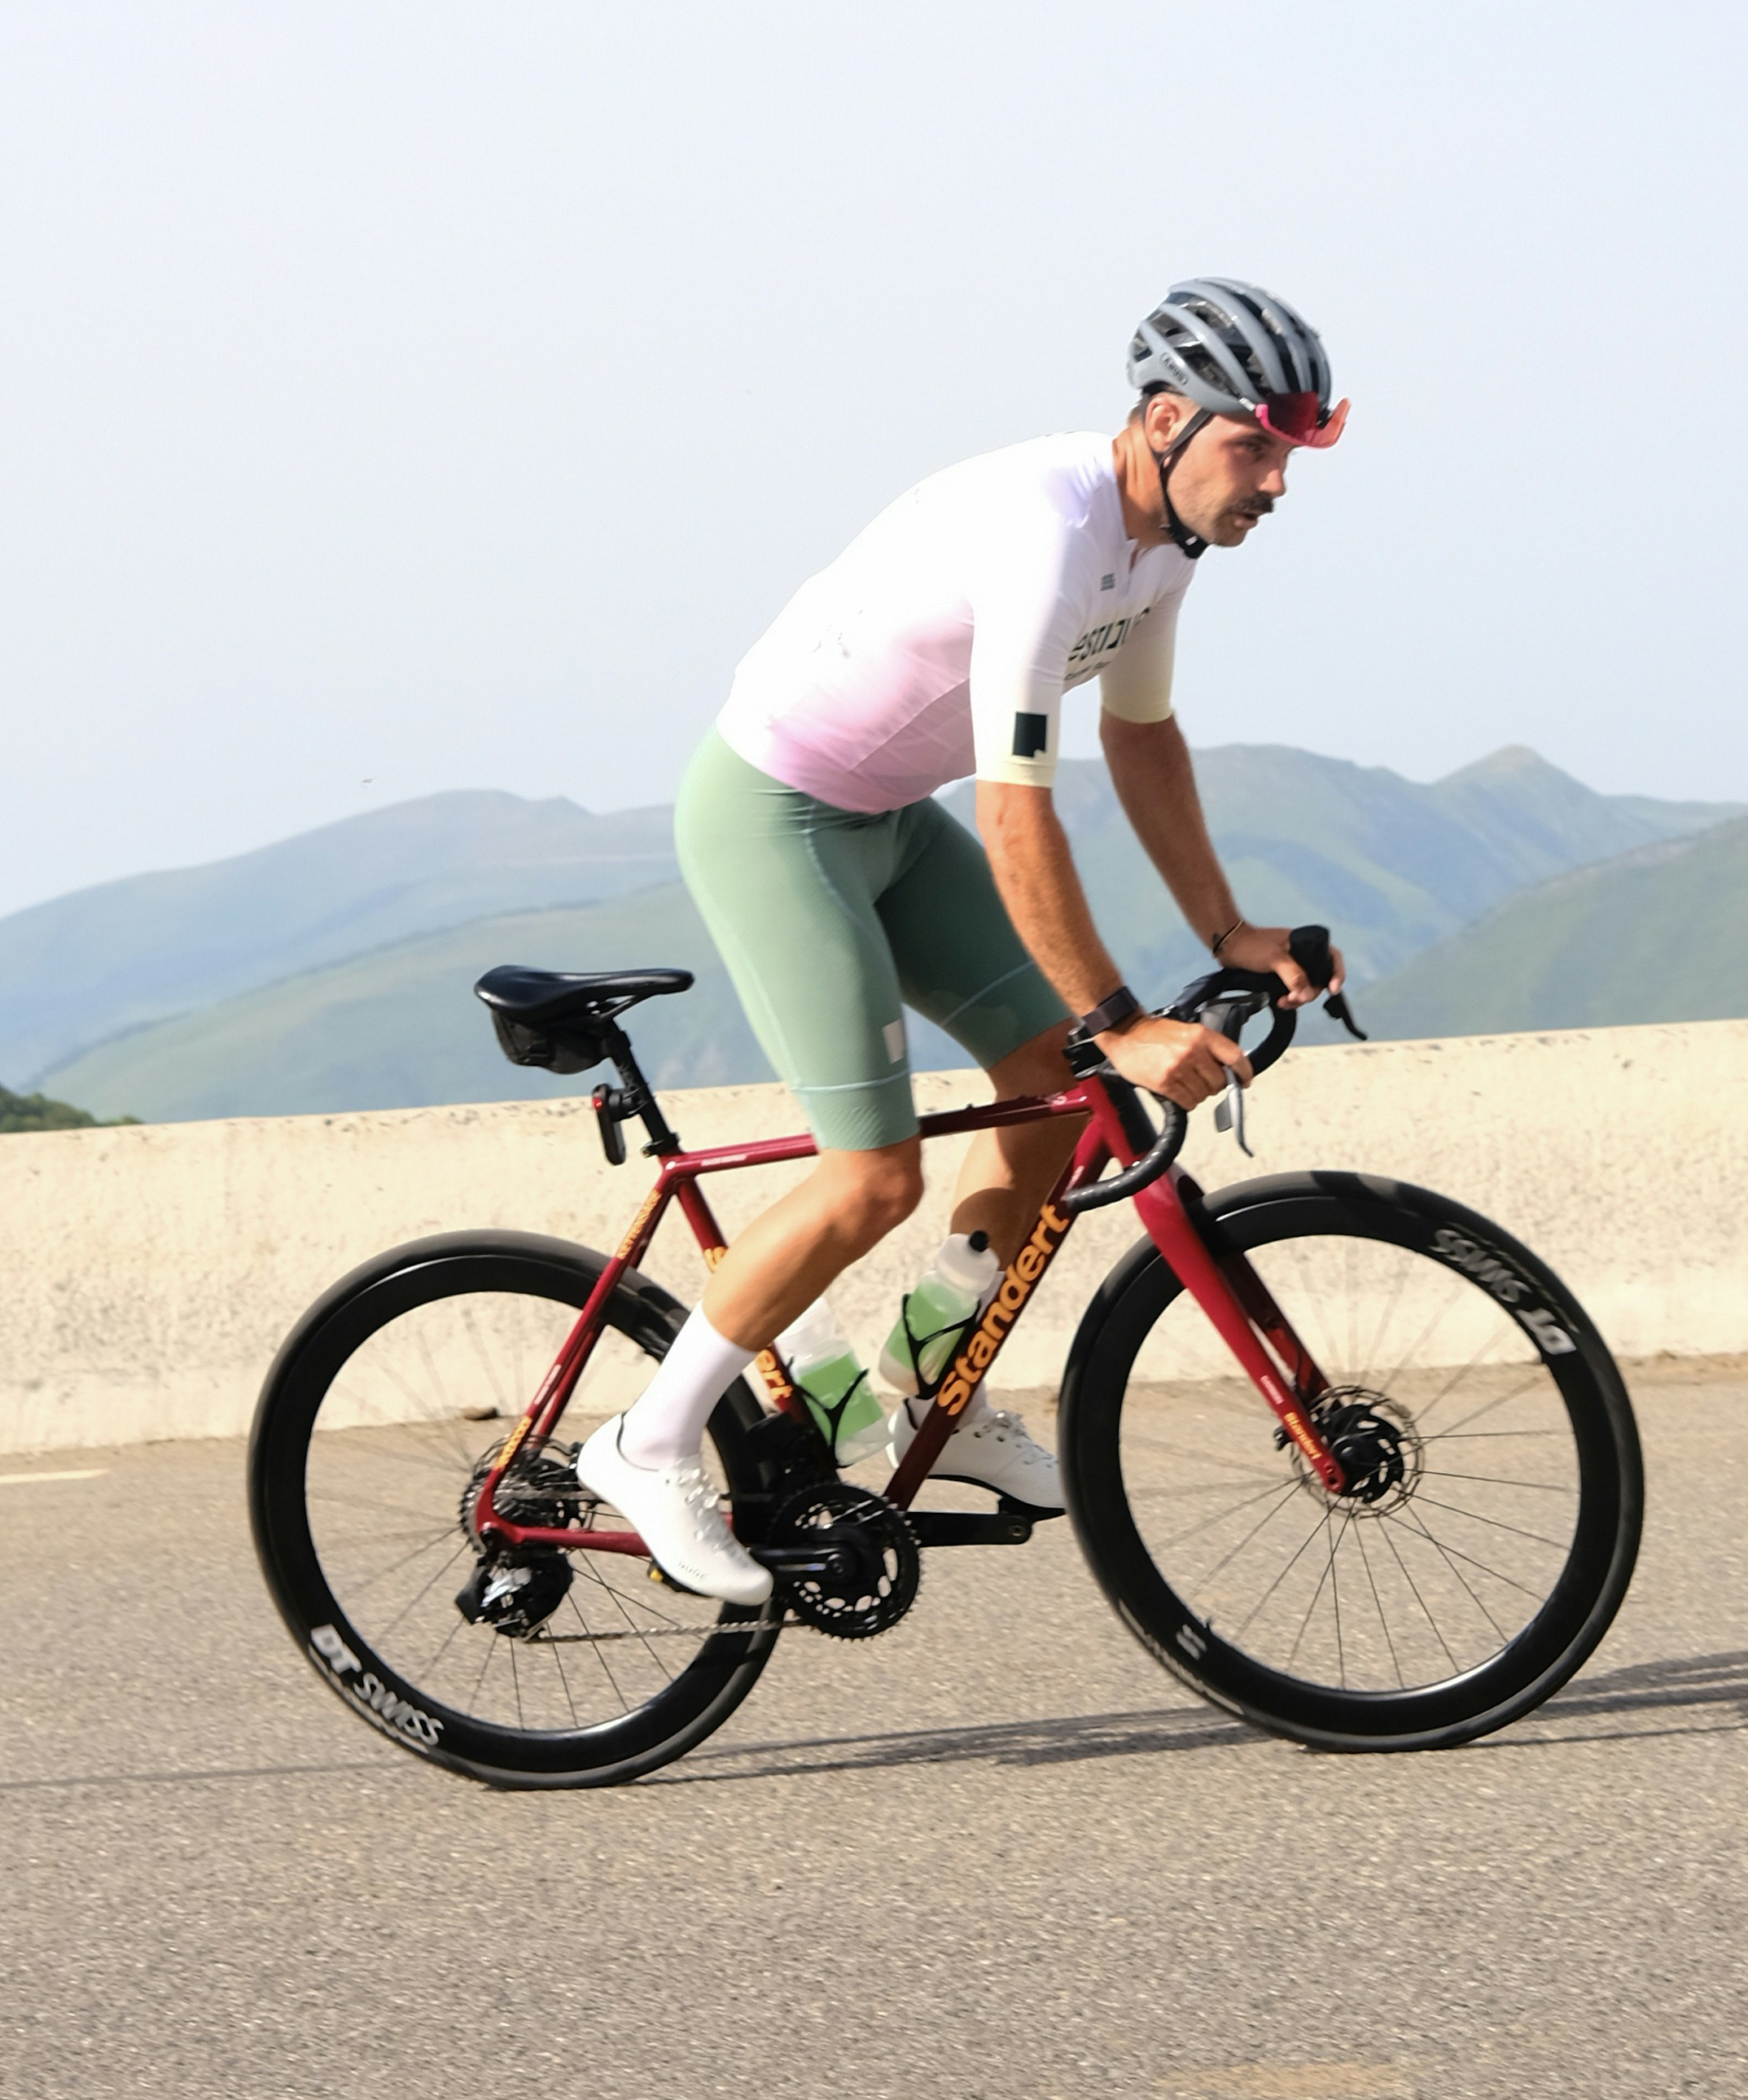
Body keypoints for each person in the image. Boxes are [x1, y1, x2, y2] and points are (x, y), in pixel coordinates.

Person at [578, 278, 1352, 1600]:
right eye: (1255, 444)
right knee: (871, 1177)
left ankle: (927, 1382)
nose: (1276, 481)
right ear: (1165, 421)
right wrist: (1123, 1015)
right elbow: (1014, 812)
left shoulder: (1163, 546)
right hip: (775, 815)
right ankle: (645, 1443)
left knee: (1054, 1094)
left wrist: (1225, 930)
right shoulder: (1046, 532)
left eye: (1289, 452)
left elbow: (1140, 736)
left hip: (882, 817)